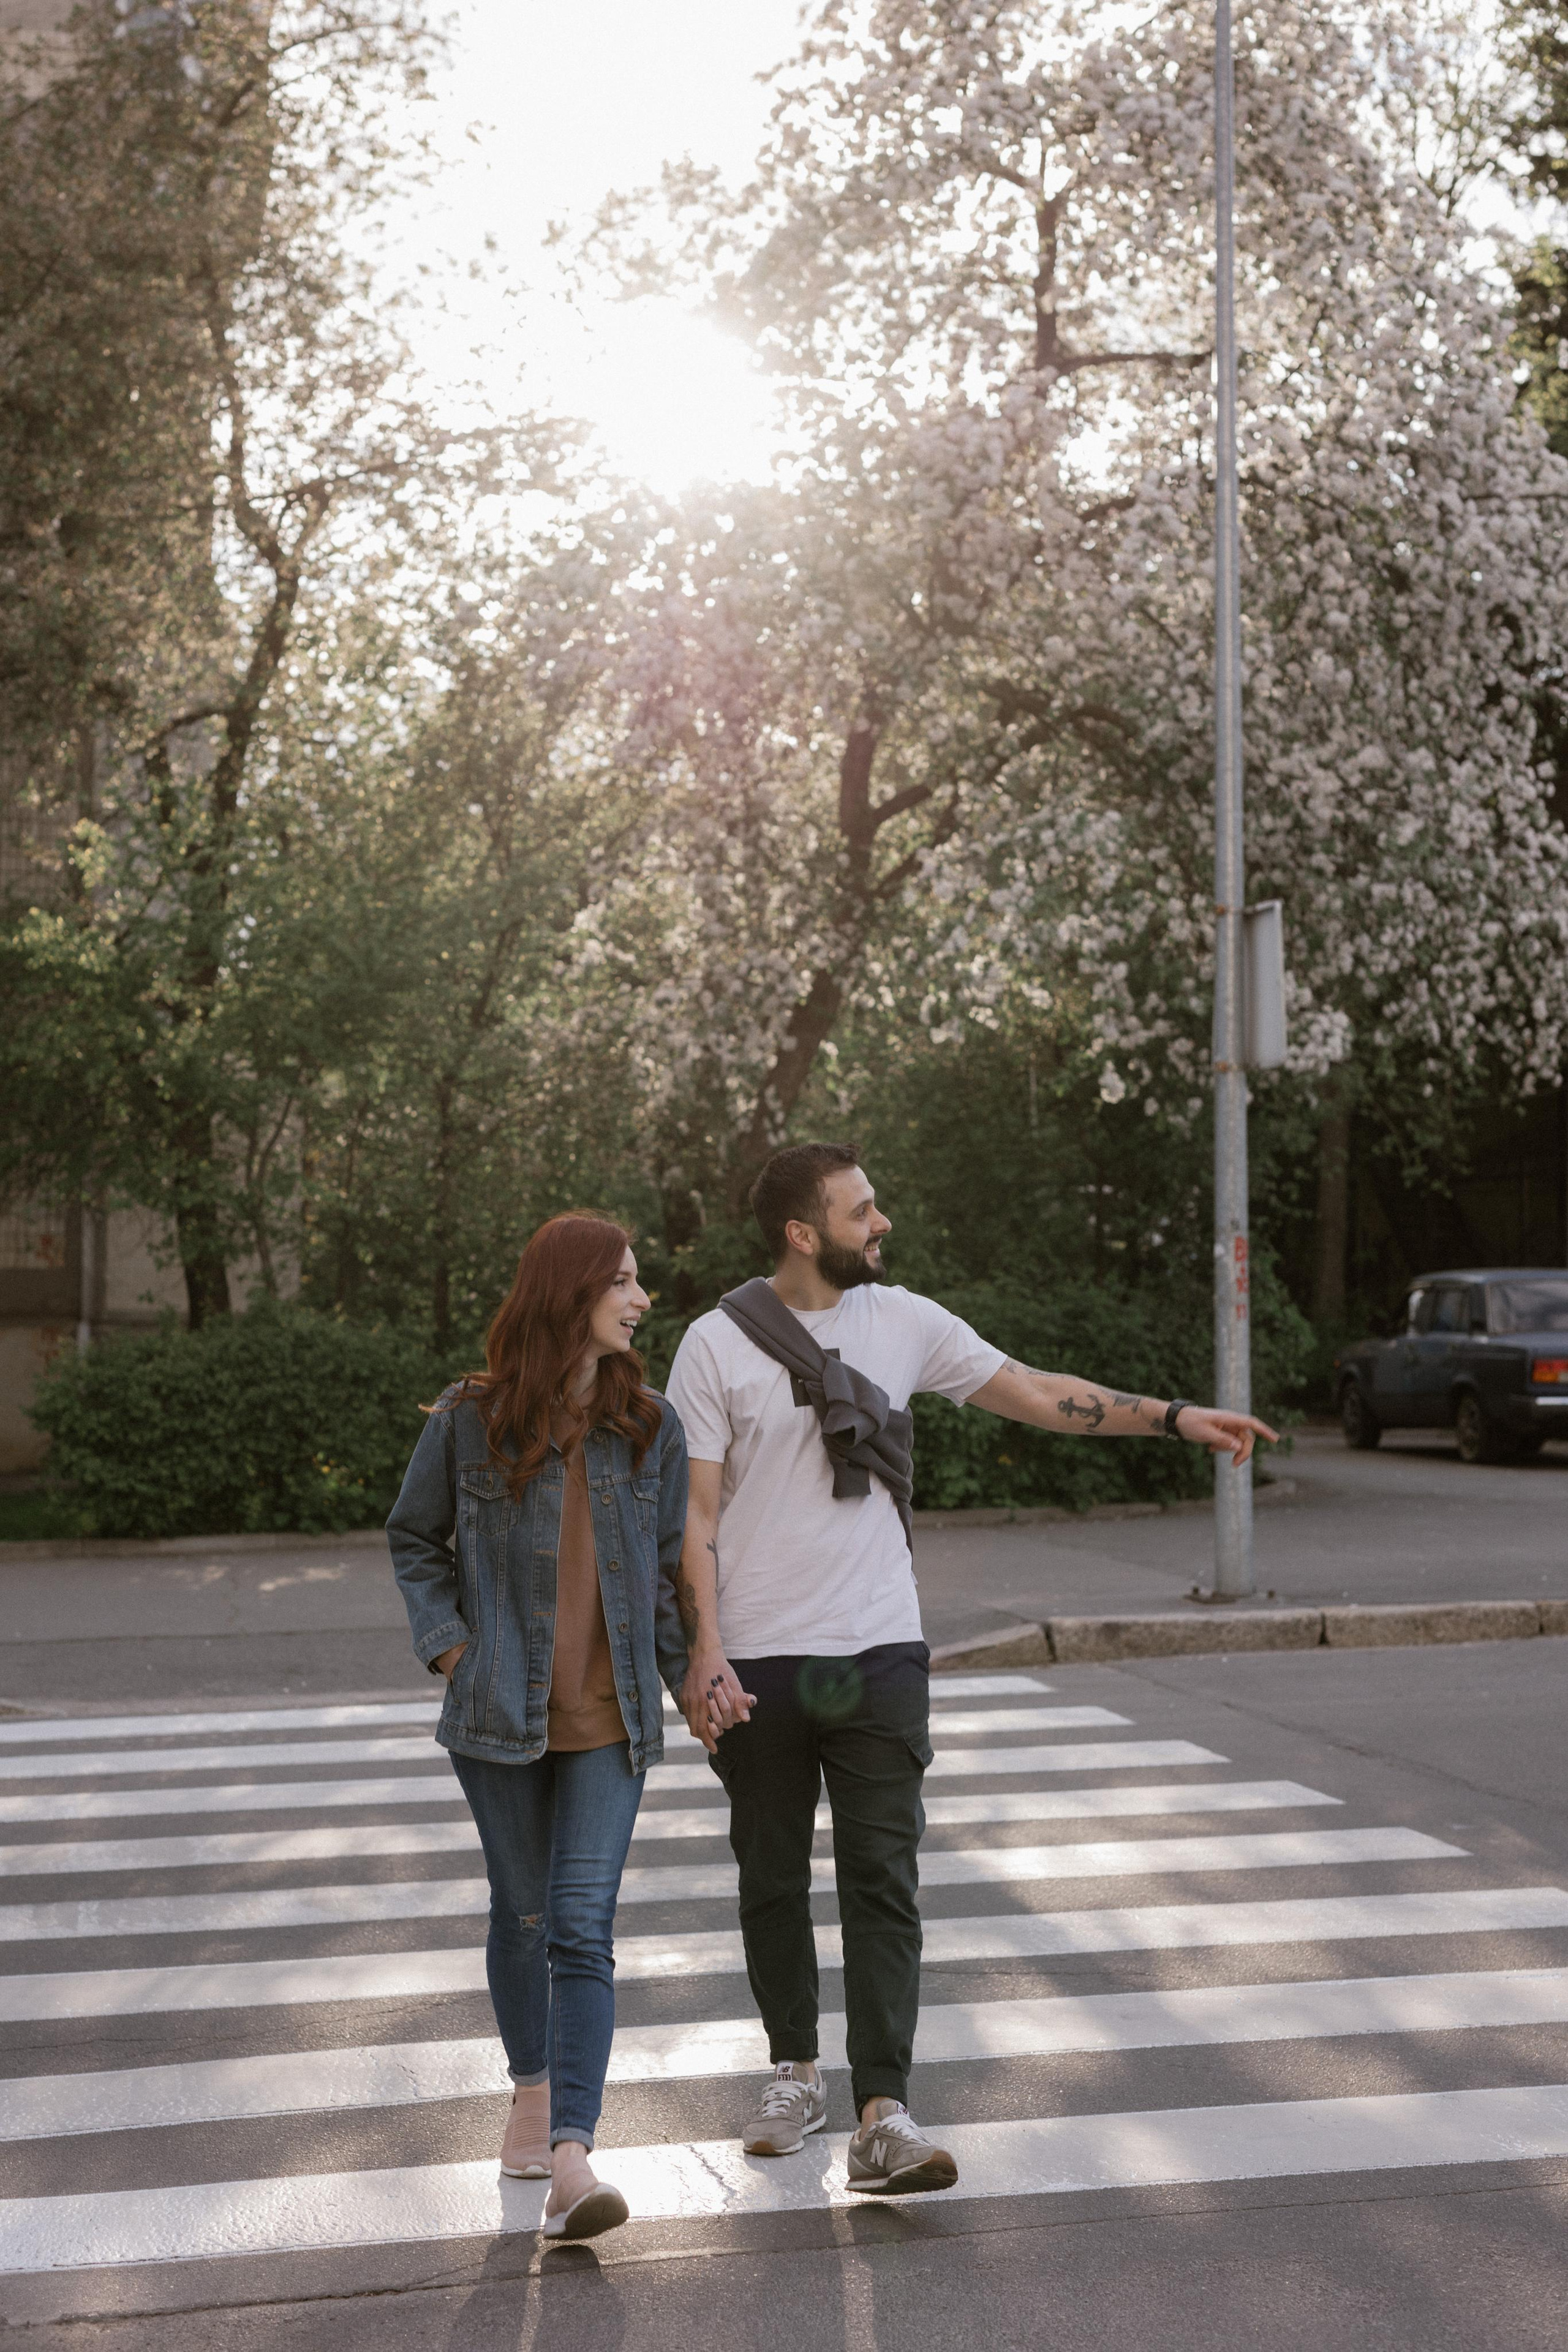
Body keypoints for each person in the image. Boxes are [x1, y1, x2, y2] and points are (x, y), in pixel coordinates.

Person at [665, 1142, 1276, 2196]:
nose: (882, 1222)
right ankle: (793, 2073)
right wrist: (703, 1652)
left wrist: (1174, 1418)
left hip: (879, 1651)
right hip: (759, 1657)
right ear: (804, 1233)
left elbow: (1036, 1393)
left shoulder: (903, 1321)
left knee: (882, 1881)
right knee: (770, 1873)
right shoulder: (714, 1345)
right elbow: (697, 1514)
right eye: (862, 1211)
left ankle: (883, 2112)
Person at [388, 1213, 689, 2242]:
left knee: (579, 1923)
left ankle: (572, 2153)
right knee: (519, 1914)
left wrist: (696, 1679)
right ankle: (529, 2084)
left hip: (612, 1722)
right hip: (498, 1712)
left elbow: (660, 1585)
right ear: (572, 1294)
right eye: (625, 1282)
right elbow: (412, 1536)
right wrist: (450, 1646)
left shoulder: (649, 1425)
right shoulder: (469, 1422)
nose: (642, 1300)